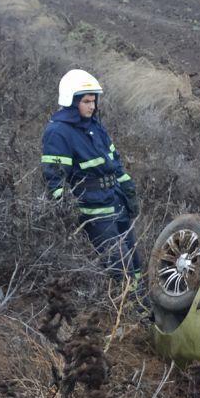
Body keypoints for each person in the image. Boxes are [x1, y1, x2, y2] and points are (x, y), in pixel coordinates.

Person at [41, 69, 139, 277]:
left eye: (94, 101)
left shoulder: (95, 125)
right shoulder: (58, 133)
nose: (92, 106)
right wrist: (66, 212)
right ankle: (128, 307)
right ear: (72, 101)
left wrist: (128, 188)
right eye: (86, 101)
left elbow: (114, 162)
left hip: (116, 201)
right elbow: (55, 179)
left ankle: (143, 306)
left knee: (134, 260)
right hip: (95, 212)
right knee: (119, 268)